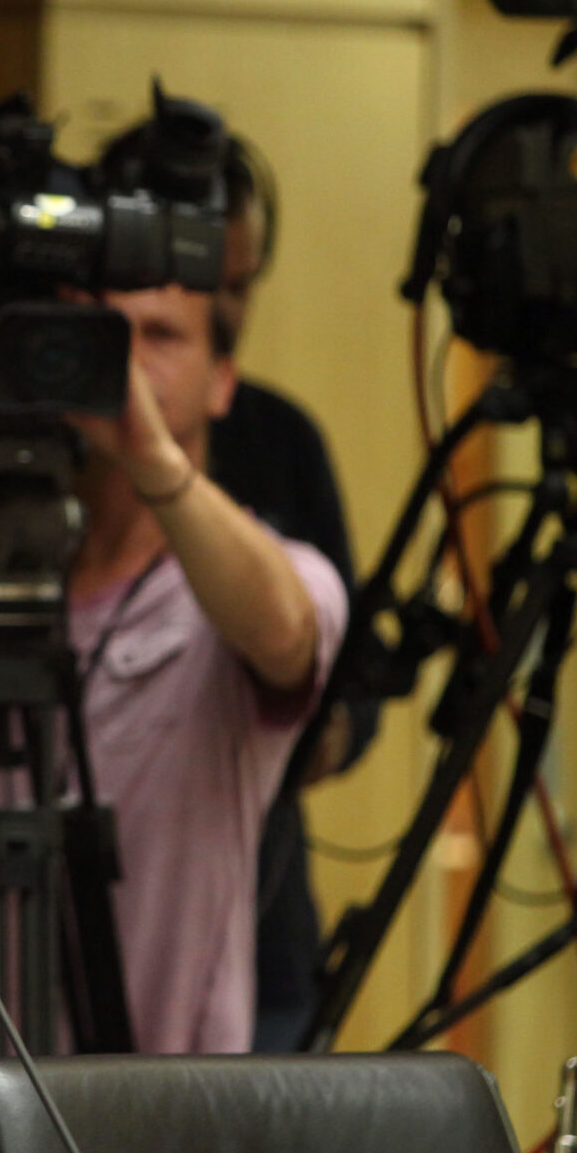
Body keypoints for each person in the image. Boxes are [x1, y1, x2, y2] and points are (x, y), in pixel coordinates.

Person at [65, 202, 349, 1056]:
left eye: (160, 335)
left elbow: (285, 634)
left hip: (172, 1085)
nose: (126, 362)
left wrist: (152, 457)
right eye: (103, 334)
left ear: (224, 380)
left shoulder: (273, 572)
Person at [204, 134, 379, 1053]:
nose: (225, 316)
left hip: (265, 926)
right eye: (205, 287)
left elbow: (356, 682)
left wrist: (309, 724)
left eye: (242, 287)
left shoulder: (280, 440)